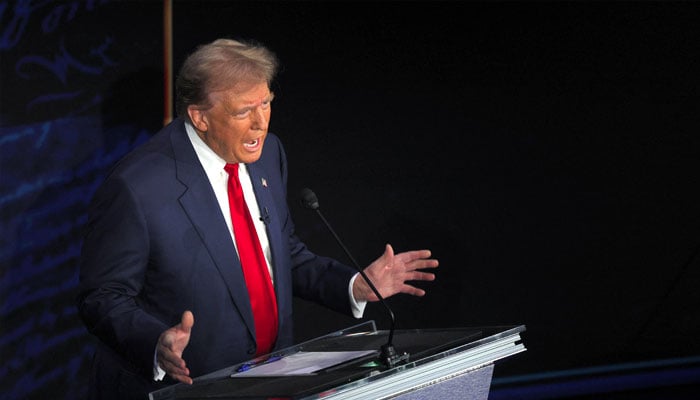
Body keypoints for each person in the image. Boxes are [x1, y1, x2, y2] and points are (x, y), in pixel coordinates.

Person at [76, 38, 438, 400]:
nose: (260, 123)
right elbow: (104, 297)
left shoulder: (268, 156)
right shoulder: (137, 186)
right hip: (186, 389)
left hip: (271, 382)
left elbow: (280, 256)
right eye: (243, 112)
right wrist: (155, 342)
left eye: (266, 104)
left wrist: (353, 285)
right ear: (199, 116)